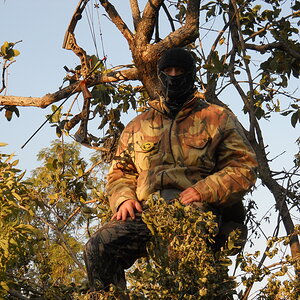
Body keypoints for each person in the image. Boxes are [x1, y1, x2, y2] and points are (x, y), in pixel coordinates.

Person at [84, 48, 258, 292]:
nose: (174, 76)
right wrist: (124, 199)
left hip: (196, 212)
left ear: (191, 74)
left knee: (182, 271)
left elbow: (244, 166)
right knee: (99, 246)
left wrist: (203, 190)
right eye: (167, 71)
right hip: (148, 213)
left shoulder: (217, 117)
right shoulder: (138, 125)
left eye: (180, 71)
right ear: (159, 75)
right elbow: (120, 173)